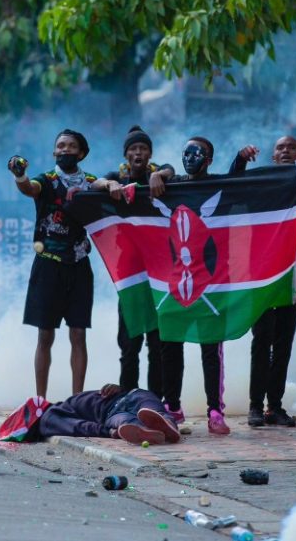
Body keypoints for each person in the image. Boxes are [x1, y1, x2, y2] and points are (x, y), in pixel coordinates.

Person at [7, 128, 124, 398]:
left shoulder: (90, 181)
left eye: (71, 146)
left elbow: (102, 185)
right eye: (60, 145)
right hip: (47, 265)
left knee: (78, 335)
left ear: (81, 153)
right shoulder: (46, 180)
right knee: (45, 336)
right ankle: (40, 400)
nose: (64, 150)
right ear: (53, 151)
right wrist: (19, 174)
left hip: (79, 265)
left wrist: (111, 184)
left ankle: (76, 399)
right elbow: (29, 189)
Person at [231, 136, 296, 427]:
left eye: (291, 147)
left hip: (292, 276)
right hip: (260, 275)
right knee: (262, 340)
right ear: (273, 158)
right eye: (280, 148)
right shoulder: (260, 187)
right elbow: (232, 188)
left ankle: (275, 407)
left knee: (283, 343)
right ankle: (255, 407)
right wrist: (240, 160)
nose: (285, 151)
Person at [156, 136, 233, 435]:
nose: (191, 157)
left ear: (209, 159)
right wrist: (157, 175)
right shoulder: (171, 185)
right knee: (170, 345)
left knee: (210, 348)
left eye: (197, 152)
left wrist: (240, 159)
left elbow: (244, 183)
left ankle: (215, 410)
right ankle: (172, 407)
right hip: (174, 282)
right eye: (186, 152)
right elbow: (162, 170)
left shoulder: (220, 186)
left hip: (211, 283)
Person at [102, 126, 175, 397]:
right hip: (131, 275)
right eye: (133, 148)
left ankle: (156, 400)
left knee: (157, 345)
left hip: (159, 273)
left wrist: (158, 175)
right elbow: (95, 183)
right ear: (126, 154)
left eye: (143, 148)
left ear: (149, 153)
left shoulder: (159, 174)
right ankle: (128, 400)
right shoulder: (115, 177)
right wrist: (110, 185)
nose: (138, 152)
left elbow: (170, 169)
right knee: (130, 345)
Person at [0, 383, 181, 445]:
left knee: (126, 420)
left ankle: (149, 428)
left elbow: (80, 426)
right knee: (148, 405)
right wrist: (110, 432)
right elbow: (79, 427)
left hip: (115, 410)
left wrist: (111, 432)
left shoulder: (55, 412)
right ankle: (165, 424)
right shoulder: (49, 418)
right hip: (131, 396)